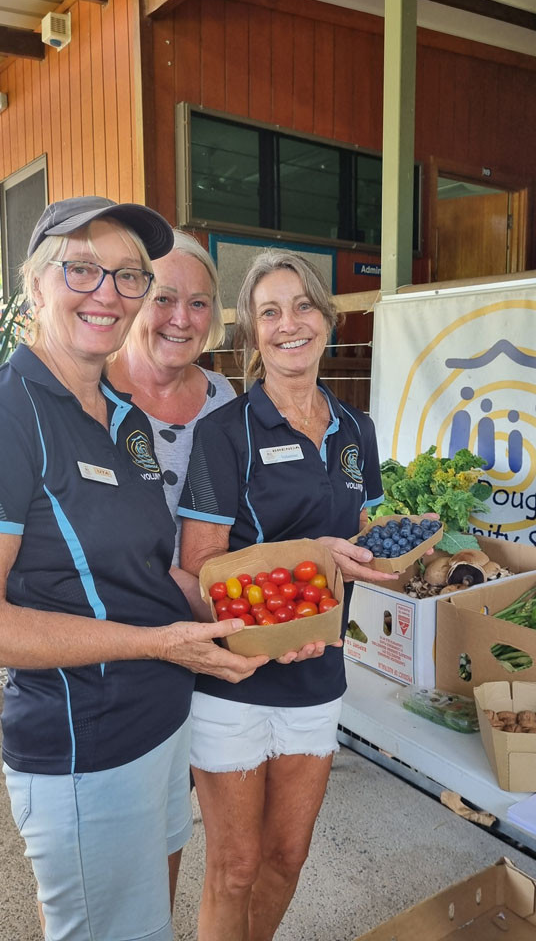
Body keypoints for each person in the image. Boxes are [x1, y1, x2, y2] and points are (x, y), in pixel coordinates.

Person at [0, 196, 267, 941]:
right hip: (87, 740)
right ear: (34, 285)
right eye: (80, 269)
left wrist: (252, 619)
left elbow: (159, 574)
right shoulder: (13, 413)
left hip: (158, 722)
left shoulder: (119, 414)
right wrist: (157, 644)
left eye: (126, 276)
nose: (107, 293)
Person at [178, 250, 394, 941]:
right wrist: (306, 561)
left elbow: (367, 535)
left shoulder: (355, 429)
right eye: (269, 311)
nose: (288, 323)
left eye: (302, 305)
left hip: (318, 674)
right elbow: (199, 568)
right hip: (238, 679)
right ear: (253, 336)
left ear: (327, 320)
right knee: (235, 867)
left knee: (286, 857)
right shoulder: (223, 433)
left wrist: (409, 547)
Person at [108, 229, 236, 567]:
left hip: (211, 601)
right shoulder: (92, 391)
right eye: (163, 298)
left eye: (198, 303)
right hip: (119, 607)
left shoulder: (222, 395)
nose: (181, 320)